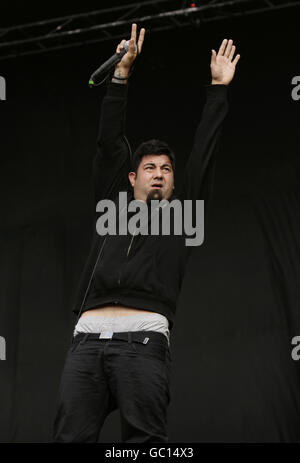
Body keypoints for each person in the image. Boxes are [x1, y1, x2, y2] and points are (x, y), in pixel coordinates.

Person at [52, 23, 240, 443]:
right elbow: (108, 143)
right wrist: (120, 75)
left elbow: (205, 152)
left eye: (167, 169)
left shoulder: (183, 215)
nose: (159, 174)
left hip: (143, 342)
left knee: (144, 446)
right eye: (150, 168)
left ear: (174, 183)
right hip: (85, 345)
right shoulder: (110, 206)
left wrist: (217, 89)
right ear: (133, 177)